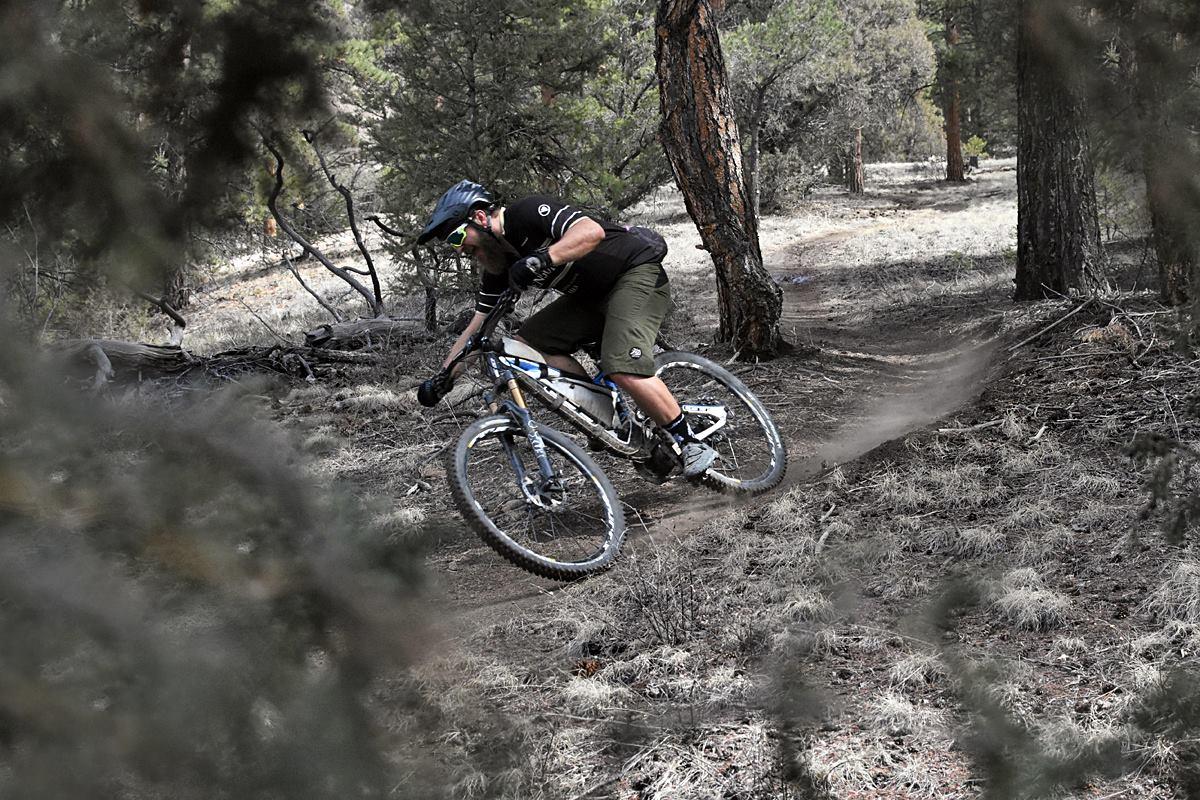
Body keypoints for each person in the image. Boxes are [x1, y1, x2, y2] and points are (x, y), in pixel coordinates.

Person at [414, 179, 717, 479]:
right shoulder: (499, 265)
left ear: (479, 217)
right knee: (528, 345)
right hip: (590, 299)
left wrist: (541, 258)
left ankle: (689, 441)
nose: (457, 250)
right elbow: (478, 327)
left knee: (621, 366)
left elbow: (591, 232)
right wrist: (444, 377)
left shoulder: (527, 212)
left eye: (455, 238)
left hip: (634, 273)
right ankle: (610, 420)